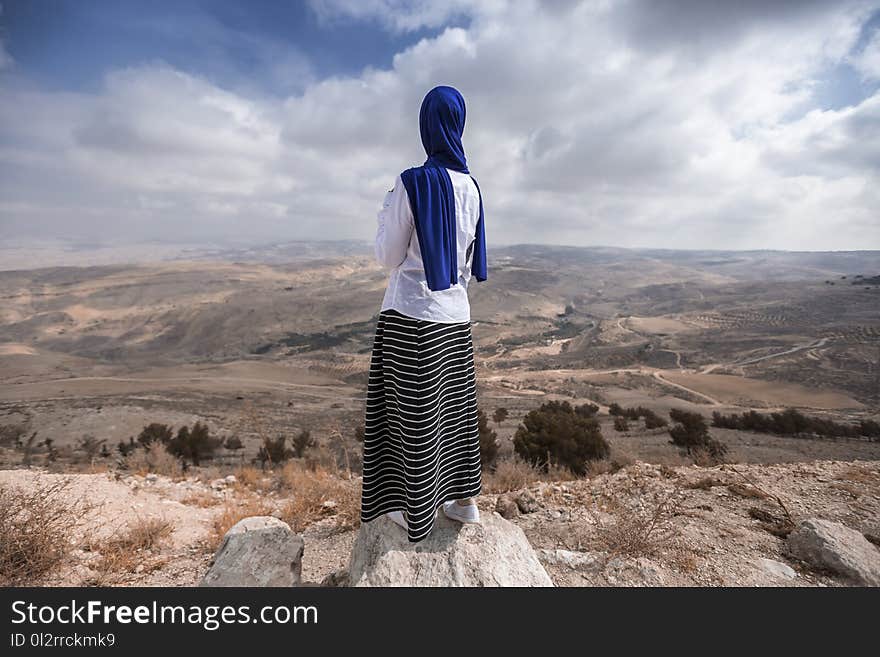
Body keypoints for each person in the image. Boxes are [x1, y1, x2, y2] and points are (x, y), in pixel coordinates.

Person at [359, 85, 488, 543]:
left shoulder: (411, 182)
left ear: (426, 125)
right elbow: (469, 262)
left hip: (411, 314)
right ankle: (462, 502)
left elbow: (387, 255)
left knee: (410, 414)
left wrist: (382, 214)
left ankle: (415, 510)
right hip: (456, 316)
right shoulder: (472, 186)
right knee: (454, 411)